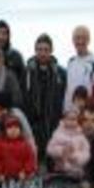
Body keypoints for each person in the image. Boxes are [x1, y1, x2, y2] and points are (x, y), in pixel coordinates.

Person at [21, 33, 66, 169]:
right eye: (39, 49)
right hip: (33, 124)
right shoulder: (27, 71)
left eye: (46, 50)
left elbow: (65, 96)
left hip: (53, 123)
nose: (42, 53)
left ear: (51, 51)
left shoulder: (60, 73)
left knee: (52, 164)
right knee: (33, 164)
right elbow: (23, 95)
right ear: (35, 51)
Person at [63, 25, 94, 111]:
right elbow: (68, 89)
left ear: (89, 40)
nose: (80, 41)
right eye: (77, 38)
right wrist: (66, 110)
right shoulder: (71, 62)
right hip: (71, 114)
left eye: (83, 38)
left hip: (88, 115)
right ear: (73, 40)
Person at [46, 108, 91, 179]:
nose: (72, 122)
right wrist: (61, 151)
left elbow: (86, 152)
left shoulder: (81, 135)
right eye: (69, 119)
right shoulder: (58, 133)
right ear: (64, 120)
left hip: (76, 171)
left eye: (74, 119)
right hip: (60, 170)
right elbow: (49, 149)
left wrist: (76, 157)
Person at [0, 115, 38, 182]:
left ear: (20, 130)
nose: (13, 130)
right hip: (3, 179)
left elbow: (30, 160)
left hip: (22, 178)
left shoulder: (25, 145)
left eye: (16, 127)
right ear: (5, 130)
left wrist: (25, 171)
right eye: (10, 128)